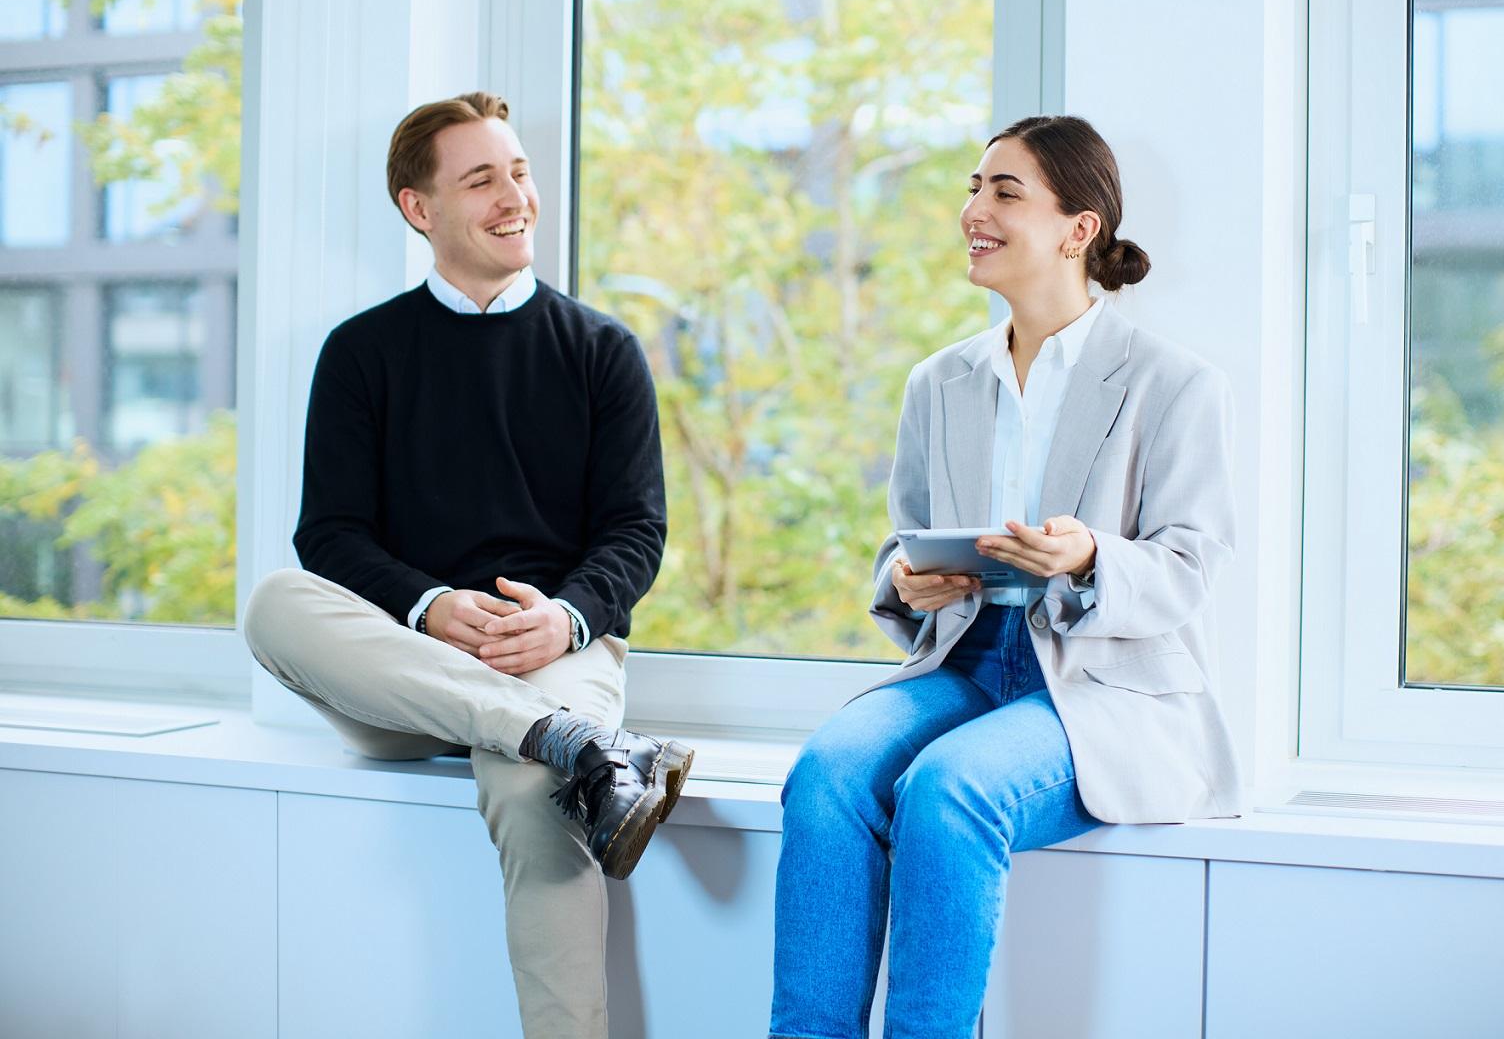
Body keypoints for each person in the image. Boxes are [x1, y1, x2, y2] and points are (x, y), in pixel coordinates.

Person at [768, 115, 1242, 1039]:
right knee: (825, 772)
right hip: (967, 661)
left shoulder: (1174, 384)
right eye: (973, 188)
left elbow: (1191, 565)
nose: (973, 210)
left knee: (951, 790)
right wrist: (908, 581)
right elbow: (904, 543)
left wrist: (1092, 556)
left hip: (1100, 686)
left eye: (1004, 192)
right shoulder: (938, 383)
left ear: (1079, 230)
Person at [242, 91, 692, 1039]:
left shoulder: (603, 352)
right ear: (420, 209)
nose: (514, 197)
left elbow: (634, 533)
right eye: (481, 179)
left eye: (519, 172)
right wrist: (431, 606)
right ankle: (571, 744)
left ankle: (555, 746)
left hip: (555, 655)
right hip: (411, 679)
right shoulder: (362, 354)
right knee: (275, 604)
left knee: (539, 798)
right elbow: (327, 535)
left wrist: (564, 618)